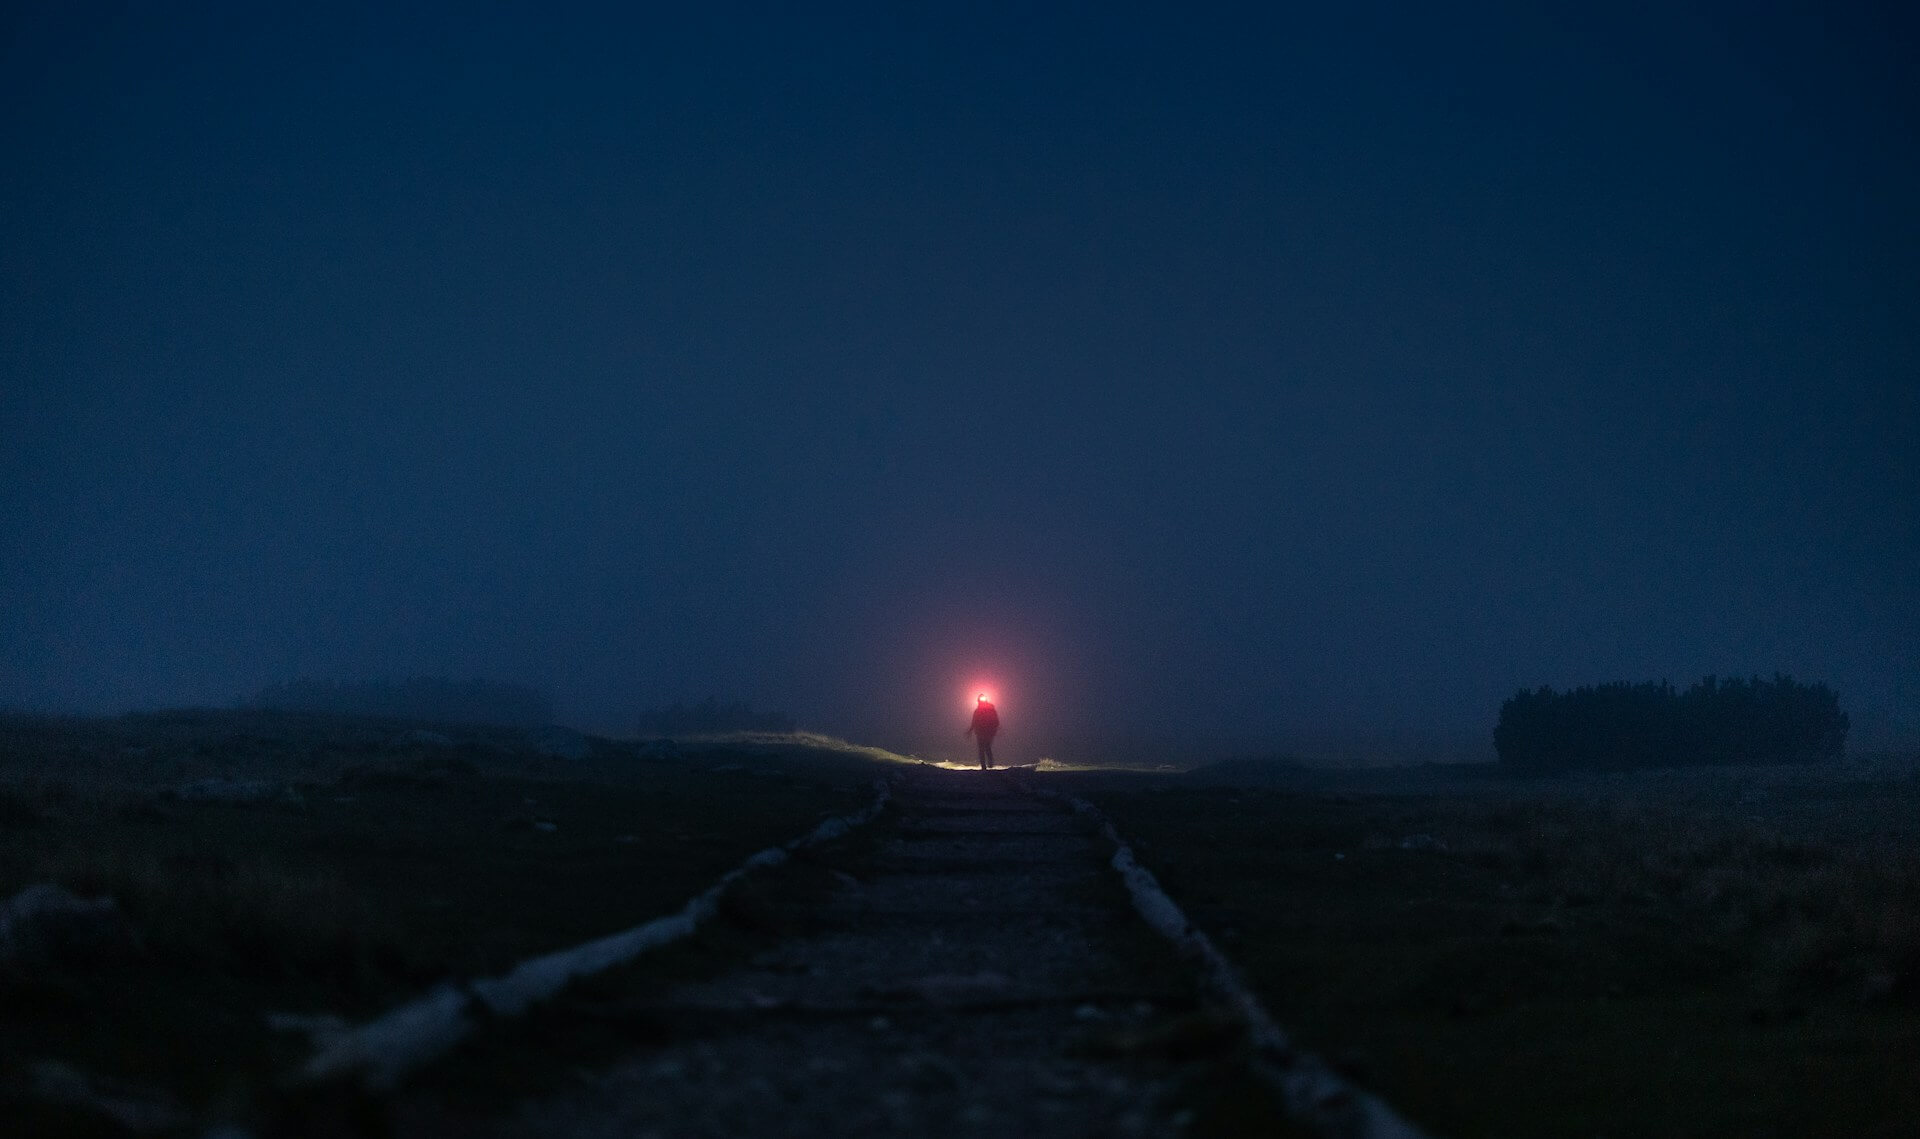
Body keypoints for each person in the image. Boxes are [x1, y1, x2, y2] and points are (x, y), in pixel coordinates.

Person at [964, 694, 1000, 770]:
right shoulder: (979, 711)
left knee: (985, 748)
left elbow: (996, 721)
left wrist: (995, 729)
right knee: (984, 748)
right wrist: (970, 730)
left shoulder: (989, 710)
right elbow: (974, 721)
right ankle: (985, 766)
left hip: (986, 732)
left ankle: (987, 765)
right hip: (982, 732)